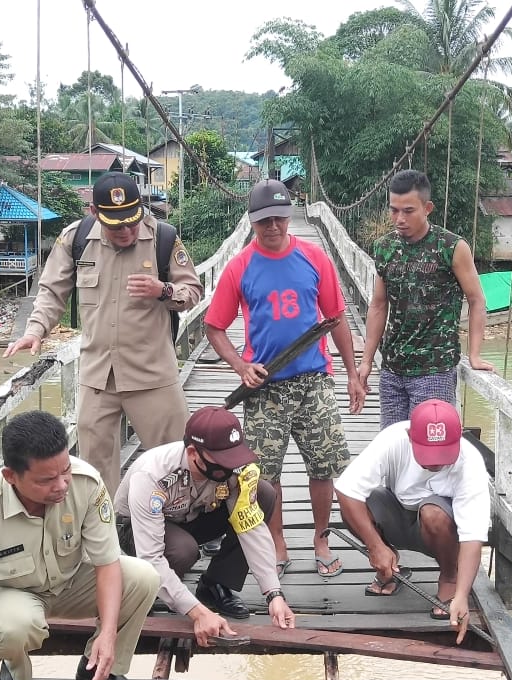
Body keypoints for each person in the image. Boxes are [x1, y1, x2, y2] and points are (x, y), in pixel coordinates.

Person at [0, 410, 160, 680]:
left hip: (69, 582)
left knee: (142, 577)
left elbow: (107, 562)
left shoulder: (86, 484)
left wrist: (107, 634)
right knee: (15, 626)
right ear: (11, 476)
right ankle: (14, 674)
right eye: (46, 480)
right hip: (8, 592)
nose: (61, 485)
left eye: (65, 471)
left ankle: (99, 668)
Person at [3, 172, 203, 494]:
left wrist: (162, 290)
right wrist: (36, 329)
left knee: (176, 463)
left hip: (152, 373)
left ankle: (182, 534)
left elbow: (193, 291)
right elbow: (51, 291)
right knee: (93, 474)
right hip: (97, 376)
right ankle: (106, 539)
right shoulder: (75, 239)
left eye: (132, 221)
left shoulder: (163, 238)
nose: (126, 231)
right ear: (95, 213)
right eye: (116, 224)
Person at [205, 179, 364, 578]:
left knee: (323, 466)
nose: (272, 227)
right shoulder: (239, 266)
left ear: (290, 215)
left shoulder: (315, 258)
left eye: (278, 218)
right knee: (264, 473)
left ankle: (321, 538)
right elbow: (214, 326)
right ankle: (277, 541)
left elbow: (337, 318)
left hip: (314, 380)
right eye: (263, 221)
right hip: (265, 387)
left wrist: (352, 374)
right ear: (252, 221)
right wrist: (241, 367)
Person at [115, 406, 296, 644]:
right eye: (221, 461)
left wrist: (274, 594)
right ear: (192, 453)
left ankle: (215, 584)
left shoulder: (230, 470)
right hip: (137, 532)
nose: (229, 467)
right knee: (182, 551)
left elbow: (250, 526)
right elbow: (151, 555)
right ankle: (147, 590)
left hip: (191, 517)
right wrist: (197, 612)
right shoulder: (152, 475)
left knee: (263, 493)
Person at [333, 399, 490, 644]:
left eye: (443, 454)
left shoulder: (470, 462)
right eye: (428, 453)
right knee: (354, 505)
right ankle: (388, 563)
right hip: (398, 511)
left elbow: (472, 536)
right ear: (409, 436)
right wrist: (376, 547)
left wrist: (462, 594)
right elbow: (346, 490)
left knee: (432, 512)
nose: (435, 463)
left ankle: (449, 576)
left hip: (442, 530)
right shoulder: (393, 439)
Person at [358, 169, 495, 428]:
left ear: (427, 207)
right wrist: (366, 361)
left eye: (408, 211)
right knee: (394, 451)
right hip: (392, 370)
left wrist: (474, 355)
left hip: (434, 372)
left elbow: (476, 300)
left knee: (430, 456)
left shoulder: (451, 247)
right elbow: (378, 305)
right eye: (393, 210)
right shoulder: (384, 247)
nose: (399, 219)